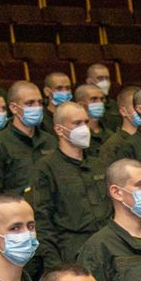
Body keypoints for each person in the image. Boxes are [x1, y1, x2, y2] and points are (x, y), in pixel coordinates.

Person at [28, 100, 109, 262]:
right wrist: (54, 263)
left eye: (86, 122)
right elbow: (42, 219)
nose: (84, 128)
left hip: (106, 246)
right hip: (71, 251)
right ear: (59, 129)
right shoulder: (45, 168)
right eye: (77, 123)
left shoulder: (99, 165)